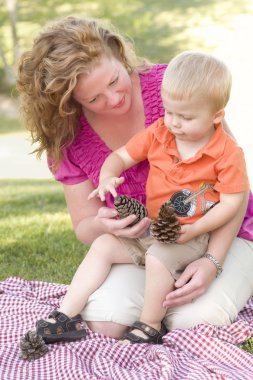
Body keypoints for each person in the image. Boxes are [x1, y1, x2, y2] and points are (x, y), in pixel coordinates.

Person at [16, 16, 253, 341]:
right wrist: (105, 224)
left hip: (220, 232)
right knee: (105, 321)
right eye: (94, 98)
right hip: (149, 239)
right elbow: (86, 224)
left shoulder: (177, 90)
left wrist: (213, 260)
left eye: (114, 80)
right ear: (71, 102)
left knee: (195, 321)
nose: (113, 99)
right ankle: (68, 318)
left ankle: (164, 313)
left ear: (119, 54)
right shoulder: (69, 138)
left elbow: (234, 189)